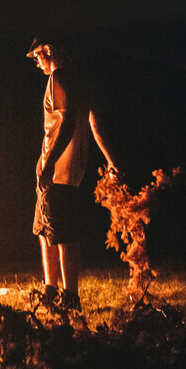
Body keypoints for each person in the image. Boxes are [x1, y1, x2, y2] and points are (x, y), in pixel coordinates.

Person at [27, 35, 118, 312]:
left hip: (56, 171)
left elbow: (67, 122)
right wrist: (113, 162)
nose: (36, 62)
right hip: (67, 171)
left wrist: (50, 162)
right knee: (46, 230)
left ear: (49, 51)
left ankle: (69, 297)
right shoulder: (83, 82)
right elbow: (96, 124)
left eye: (37, 56)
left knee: (63, 235)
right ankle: (51, 290)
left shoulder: (58, 79)